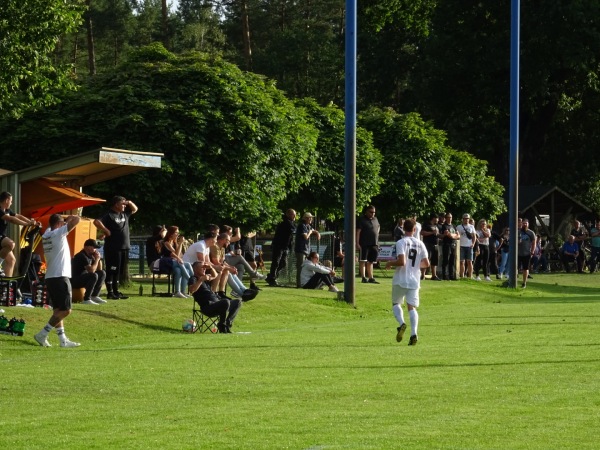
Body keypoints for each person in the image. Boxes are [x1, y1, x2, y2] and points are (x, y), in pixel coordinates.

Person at [34, 214, 81, 348]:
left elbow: (51, 225)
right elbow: (76, 220)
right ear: (60, 224)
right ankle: (42, 333)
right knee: (66, 310)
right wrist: (69, 218)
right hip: (60, 275)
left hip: (50, 277)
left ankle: (62, 340)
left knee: (58, 310)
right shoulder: (58, 233)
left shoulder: (46, 234)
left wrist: (62, 220)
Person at [385, 219, 430, 346]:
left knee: (396, 303)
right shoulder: (420, 244)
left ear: (404, 229)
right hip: (414, 280)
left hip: (401, 278)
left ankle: (401, 324)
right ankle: (414, 333)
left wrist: (390, 263)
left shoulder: (401, 242)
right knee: (412, 307)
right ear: (415, 230)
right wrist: (415, 266)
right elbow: (426, 263)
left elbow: (402, 261)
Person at [93, 195, 138, 299]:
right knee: (112, 269)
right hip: (113, 247)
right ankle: (110, 292)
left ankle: (116, 291)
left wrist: (129, 202)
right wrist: (105, 230)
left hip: (124, 247)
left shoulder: (124, 214)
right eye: (122, 204)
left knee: (118, 271)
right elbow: (96, 221)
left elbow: (135, 209)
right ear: (116, 204)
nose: (124, 206)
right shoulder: (109, 215)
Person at [189, 262, 242, 334]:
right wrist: (201, 280)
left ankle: (227, 324)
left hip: (218, 305)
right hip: (208, 307)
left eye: (205, 267)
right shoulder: (193, 278)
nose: (204, 269)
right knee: (225, 301)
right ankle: (221, 325)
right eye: (202, 267)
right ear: (195, 269)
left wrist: (210, 267)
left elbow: (215, 275)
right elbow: (192, 290)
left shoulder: (205, 278)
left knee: (238, 302)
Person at [0, 191, 40, 277]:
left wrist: (30, 221)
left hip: (1, 236)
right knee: (10, 244)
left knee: (11, 261)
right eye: (11, 201)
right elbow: (11, 219)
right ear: (6, 200)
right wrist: (26, 224)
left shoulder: (7, 210)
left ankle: (7, 285)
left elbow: (18, 216)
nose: (11, 203)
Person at [266, 209, 297, 287]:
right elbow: (293, 230)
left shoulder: (292, 223)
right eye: (293, 214)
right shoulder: (286, 223)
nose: (294, 216)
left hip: (285, 246)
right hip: (279, 245)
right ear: (288, 215)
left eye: (295, 214)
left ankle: (271, 276)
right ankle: (272, 279)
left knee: (283, 263)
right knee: (276, 262)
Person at [71, 239, 107, 305]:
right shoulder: (82, 256)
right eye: (94, 247)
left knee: (102, 273)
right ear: (87, 247)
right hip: (74, 280)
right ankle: (86, 299)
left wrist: (98, 260)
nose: (95, 249)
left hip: (83, 277)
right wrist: (97, 259)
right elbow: (91, 270)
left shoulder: (90, 256)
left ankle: (94, 296)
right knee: (93, 275)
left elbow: (99, 269)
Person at [161, 226, 193, 298]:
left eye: (178, 233)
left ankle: (181, 292)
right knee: (187, 264)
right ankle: (192, 279)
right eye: (176, 233)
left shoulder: (175, 243)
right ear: (171, 233)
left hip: (175, 264)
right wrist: (181, 243)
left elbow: (180, 255)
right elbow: (176, 254)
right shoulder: (167, 243)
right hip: (168, 264)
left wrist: (179, 244)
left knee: (179, 270)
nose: (178, 234)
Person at [295, 212, 320, 287]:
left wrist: (317, 233)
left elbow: (314, 231)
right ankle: (299, 284)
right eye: (309, 218)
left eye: (311, 218)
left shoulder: (308, 226)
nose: (311, 219)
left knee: (306, 266)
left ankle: (304, 283)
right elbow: (306, 237)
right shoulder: (302, 226)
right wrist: (310, 232)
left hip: (306, 250)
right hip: (300, 250)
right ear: (305, 218)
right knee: (301, 267)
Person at [356, 205, 380, 284]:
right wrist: (357, 243)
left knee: (371, 261)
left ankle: (371, 277)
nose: (372, 214)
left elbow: (378, 227)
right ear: (366, 211)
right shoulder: (362, 220)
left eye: (374, 212)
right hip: (364, 243)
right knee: (363, 260)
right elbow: (358, 232)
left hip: (374, 243)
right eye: (371, 212)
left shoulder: (375, 219)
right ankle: (363, 277)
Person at [420, 213, 440, 280]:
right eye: (437, 218)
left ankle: (434, 276)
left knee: (435, 261)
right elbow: (422, 233)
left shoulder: (436, 225)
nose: (438, 219)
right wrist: (432, 232)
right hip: (428, 244)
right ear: (433, 218)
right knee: (427, 259)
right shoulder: (426, 224)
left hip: (435, 245)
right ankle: (423, 275)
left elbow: (437, 234)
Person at [440, 213, 459, 280]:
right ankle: (444, 276)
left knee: (452, 261)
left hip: (453, 245)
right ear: (446, 218)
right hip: (447, 245)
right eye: (448, 217)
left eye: (450, 217)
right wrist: (454, 235)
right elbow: (449, 235)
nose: (450, 218)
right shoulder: (444, 226)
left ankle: (451, 275)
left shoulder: (454, 226)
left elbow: (458, 235)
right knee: (446, 260)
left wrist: (453, 236)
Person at [457, 213, 476, 279]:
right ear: (463, 219)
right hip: (461, 246)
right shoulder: (459, 227)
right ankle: (462, 275)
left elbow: (474, 236)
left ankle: (470, 276)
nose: (466, 220)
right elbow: (457, 236)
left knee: (469, 261)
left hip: (469, 246)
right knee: (462, 262)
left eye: (467, 219)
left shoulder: (471, 226)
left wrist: (473, 244)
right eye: (465, 218)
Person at [518, 219, 536, 288]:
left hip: (527, 253)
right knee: (516, 268)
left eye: (526, 223)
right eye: (523, 223)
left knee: (525, 268)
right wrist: (518, 242)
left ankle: (524, 283)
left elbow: (534, 243)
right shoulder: (518, 232)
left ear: (528, 224)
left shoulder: (531, 233)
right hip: (518, 253)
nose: (524, 224)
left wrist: (532, 251)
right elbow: (513, 241)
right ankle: (513, 281)